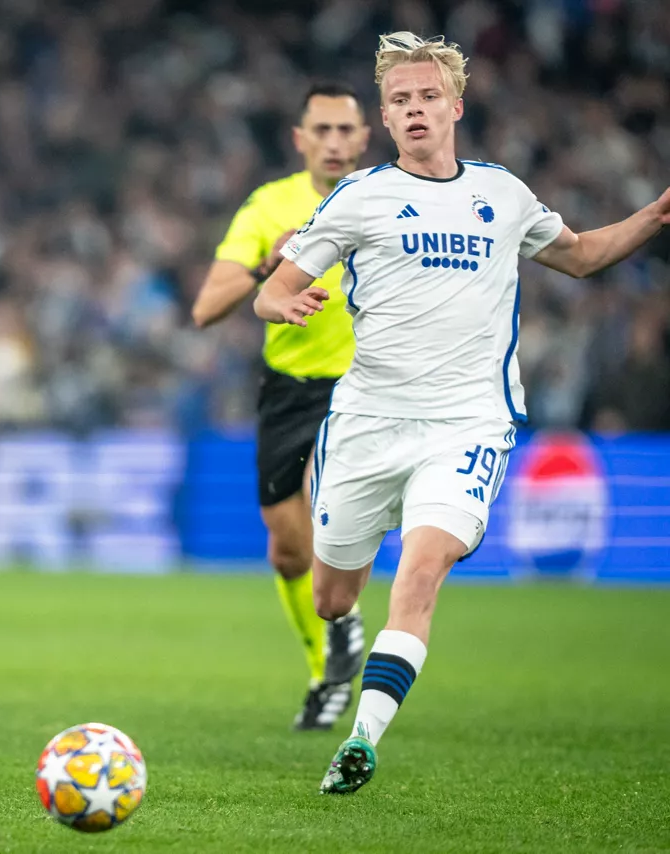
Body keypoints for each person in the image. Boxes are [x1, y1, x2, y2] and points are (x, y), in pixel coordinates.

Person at [255, 31, 670, 794]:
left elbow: (581, 255)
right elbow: (272, 290)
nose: (415, 109)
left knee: (420, 574)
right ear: (386, 119)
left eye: (428, 97)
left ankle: (362, 739)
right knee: (332, 597)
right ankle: (350, 630)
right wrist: (284, 304)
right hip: (369, 422)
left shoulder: (503, 195)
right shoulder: (360, 197)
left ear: (456, 107)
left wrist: (655, 214)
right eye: (400, 100)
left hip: (468, 424)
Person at [193, 83, 370, 730]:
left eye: (345, 130)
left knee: (330, 507)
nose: (334, 142)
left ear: (364, 138)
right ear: (300, 139)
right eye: (321, 130)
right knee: (288, 550)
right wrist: (266, 265)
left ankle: (343, 622)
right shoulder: (269, 206)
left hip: (366, 385)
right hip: (289, 388)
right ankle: (328, 669)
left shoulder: (388, 200)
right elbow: (205, 309)